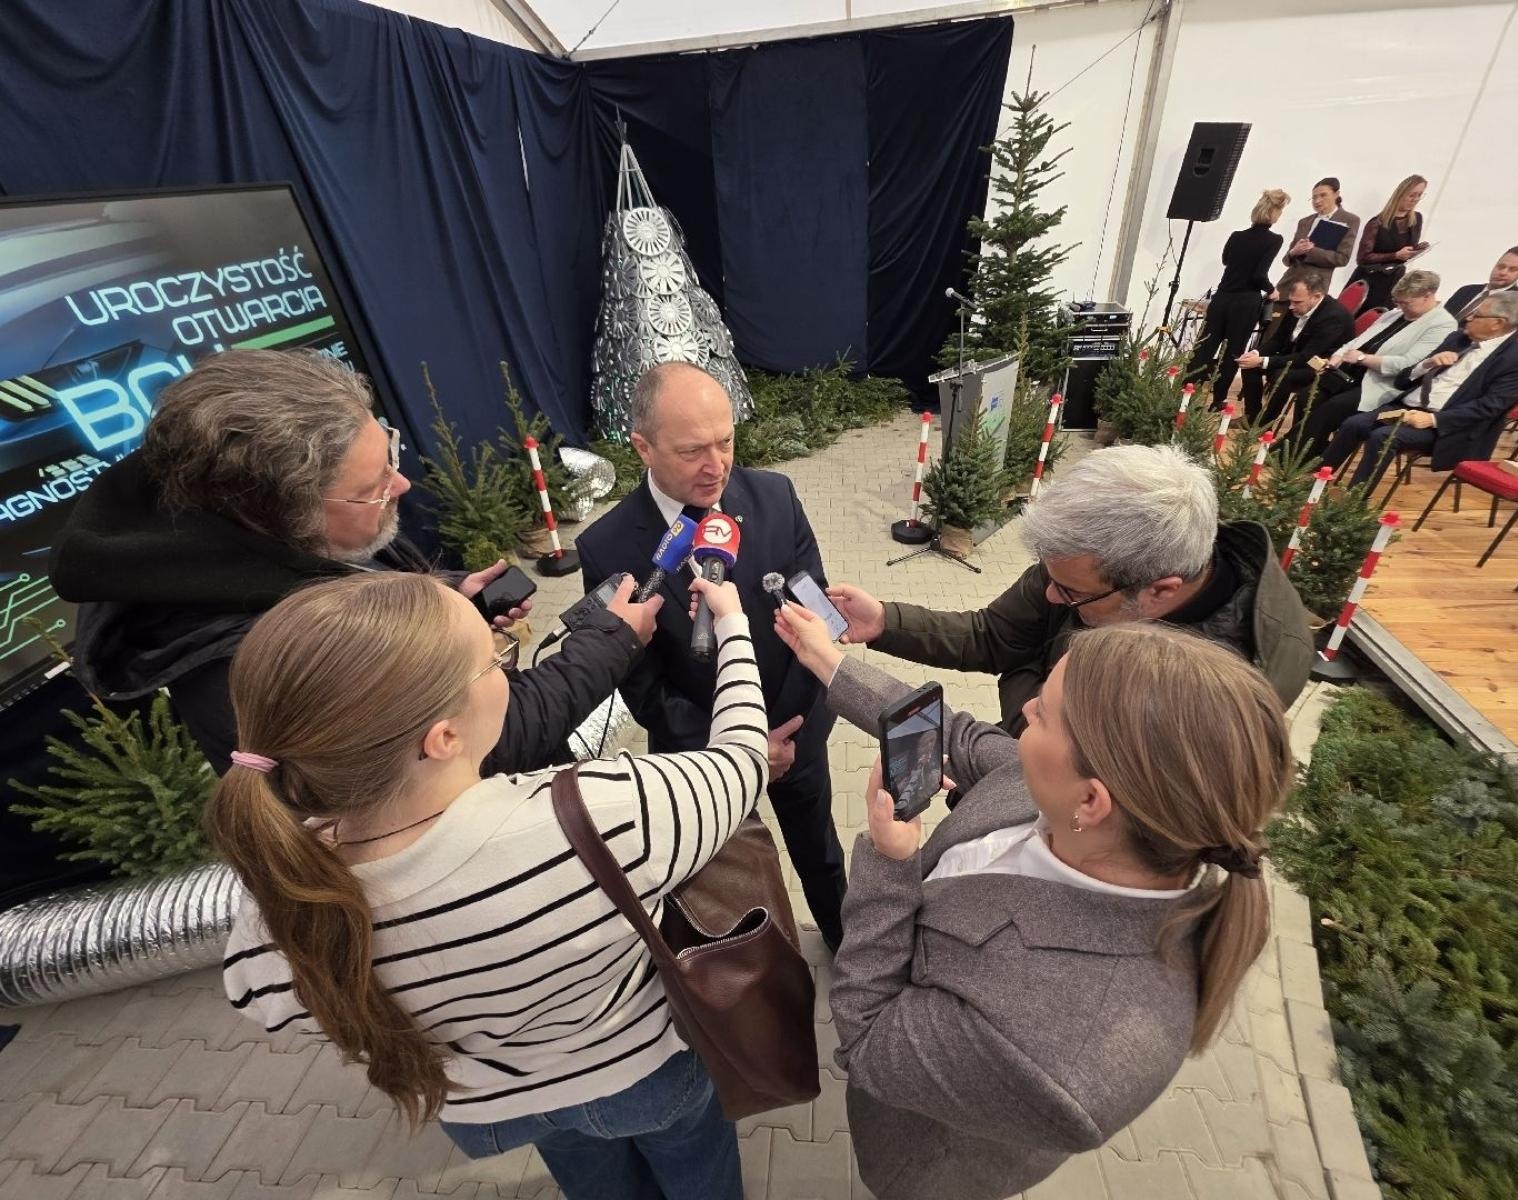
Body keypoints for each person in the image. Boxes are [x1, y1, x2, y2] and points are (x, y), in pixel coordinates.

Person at [213, 569, 764, 1200]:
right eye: (495, 660)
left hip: (496, 1109)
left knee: (592, 1177)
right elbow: (741, 760)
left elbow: (273, 1004)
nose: (509, 673)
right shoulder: (605, 815)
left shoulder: (284, 900)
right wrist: (731, 623)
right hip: (643, 1076)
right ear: (443, 738)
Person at [771, 607, 1295, 1200]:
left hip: (916, 1164)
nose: (1023, 712)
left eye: (1043, 713)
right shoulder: (1093, 809)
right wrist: (827, 661)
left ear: (1093, 801)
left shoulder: (1061, 1057)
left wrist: (891, 867)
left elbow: (867, 1039)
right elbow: (960, 738)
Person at [49, 349, 656, 776]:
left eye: (387, 450)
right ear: (278, 514)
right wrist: (609, 641)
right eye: (370, 487)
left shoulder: (291, 543)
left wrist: (445, 600)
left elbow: (350, 582)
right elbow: (486, 745)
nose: (401, 486)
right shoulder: (270, 660)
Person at [575, 362, 847, 951]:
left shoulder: (775, 496)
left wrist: (788, 731)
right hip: (699, 759)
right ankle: (745, 982)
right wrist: (741, 750)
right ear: (642, 447)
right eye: (693, 450)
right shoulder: (607, 548)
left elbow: (814, 612)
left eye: (726, 440)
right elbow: (641, 687)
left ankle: (845, 944)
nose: (717, 464)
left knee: (820, 852)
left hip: (795, 728)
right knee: (718, 885)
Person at [823, 444, 1314, 728]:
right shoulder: (1083, 562)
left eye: (1073, 596)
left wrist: (1022, 679)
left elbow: (1064, 744)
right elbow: (995, 638)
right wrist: (887, 622)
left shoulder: (1233, 692)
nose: (1052, 597)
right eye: (1049, 578)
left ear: (1160, 591)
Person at [1321, 290, 1518, 485]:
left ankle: (1350, 504)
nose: (1468, 318)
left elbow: (1489, 407)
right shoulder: (1458, 338)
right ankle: (1317, 481)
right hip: (1408, 407)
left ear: (1498, 324)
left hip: (1447, 425)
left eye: (1477, 315)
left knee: (1384, 438)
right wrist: (1428, 364)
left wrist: (1433, 420)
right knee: (1353, 423)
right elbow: (1404, 380)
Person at [1295, 270, 1457, 458]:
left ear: (1427, 296)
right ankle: (1309, 452)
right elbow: (1354, 343)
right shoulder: (1393, 314)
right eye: (1398, 302)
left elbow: (1408, 365)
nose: (1401, 307)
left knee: (1333, 408)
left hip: (1382, 384)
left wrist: (1364, 359)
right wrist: (1336, 359)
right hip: (1349, 373)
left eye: (1406, 302)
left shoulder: (1442, 324)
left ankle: (1291, 455)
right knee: (1308, 396)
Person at [1185, 188, 1289, 406]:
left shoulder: (1236, 236)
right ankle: (1218, 399)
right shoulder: (1274, 240)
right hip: (1245, 302)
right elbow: (1259, 275)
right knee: (1233, 352)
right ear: (1275, 213)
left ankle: (1186, 393)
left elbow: (1226, 260)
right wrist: (1272, 291)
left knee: (1205, 347)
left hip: (1222, 298)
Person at [1235, 268, 1355, 426]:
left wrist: (1262, 361)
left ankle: (1264, 424)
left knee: (1283, 375)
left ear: (1316, 297)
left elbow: (1307, 357)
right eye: (1291, 301)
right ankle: (1252, 416)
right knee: (1248, 364)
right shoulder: (1296, 308)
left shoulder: (1333, 317)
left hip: (1321, 367)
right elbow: (1277, 339)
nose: (1291, 307)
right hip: (1298, 357)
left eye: (1297, 302)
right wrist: (1255, 353)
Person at [1348, 175, 1429, 313]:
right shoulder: (1377, 222)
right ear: (1400, 194)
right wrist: (1395, 255)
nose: (1415, 199)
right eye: (1412, 195)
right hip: (1371, 281)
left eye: (1419, 195)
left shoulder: (1416, 219)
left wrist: (1415, 251)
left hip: (1394, 281)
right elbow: (1362, 258)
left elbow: (1407, 250)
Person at [1281, 176, 1361, 278]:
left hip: (1316, 284)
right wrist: (1293, 252)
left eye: (1323, 195)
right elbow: (1286, 261)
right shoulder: (1304, 222)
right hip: (1288, 281)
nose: (1317, 201)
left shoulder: (1349, 220)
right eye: (1314, 197)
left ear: (1336, 194)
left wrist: (1311, 250)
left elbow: (1342, 258)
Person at [1444, 245, 1518, 321]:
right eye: (1501, 266)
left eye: (1513, 270)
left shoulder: (1517, 304)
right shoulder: (1466, 290)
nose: (1503, 272)